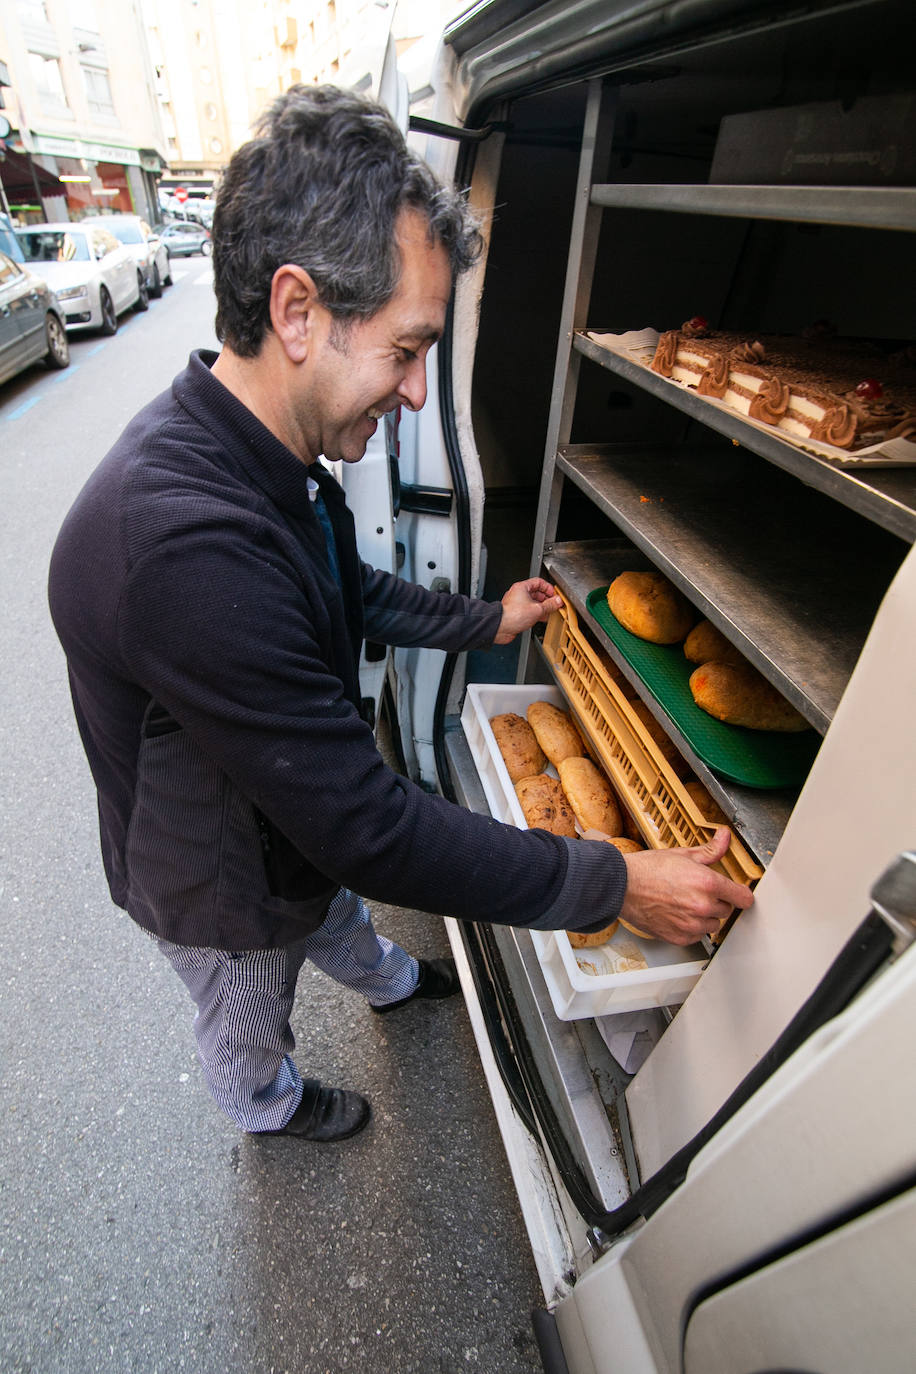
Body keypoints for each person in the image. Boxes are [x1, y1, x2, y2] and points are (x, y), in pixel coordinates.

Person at [48, 86, 752, 1145]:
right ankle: (267, 1102)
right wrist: (612, 882)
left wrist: (485, 619)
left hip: (292, 825)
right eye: (408, 347)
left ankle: (379, 977)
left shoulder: (273, 458)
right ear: (296, 311)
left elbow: (348, 590)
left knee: (335, 910)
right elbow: (369, 827)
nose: (421, 394)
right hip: (220, 887)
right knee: (254, 1002)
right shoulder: (184, 547)